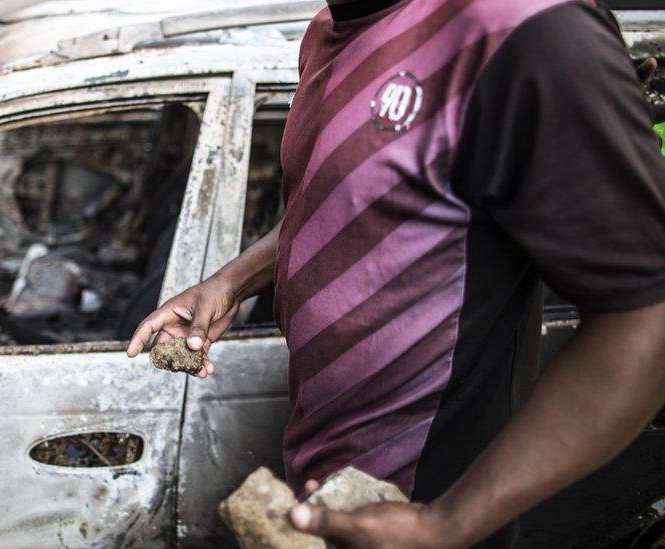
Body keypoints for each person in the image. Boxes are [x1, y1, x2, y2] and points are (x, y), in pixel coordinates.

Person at [126, 0, 665, 546]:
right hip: (334, 482)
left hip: (430, 503)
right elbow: (356, 200)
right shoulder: (330, 28)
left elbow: (648, 312)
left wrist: (448, 524)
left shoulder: (517, 26)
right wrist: (230, 282)